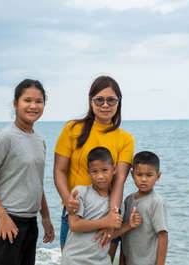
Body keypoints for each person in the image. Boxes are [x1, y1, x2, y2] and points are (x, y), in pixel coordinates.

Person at [54, 76, 134, 258]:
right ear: (91, 102)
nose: (105, 105)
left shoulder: (125, 139)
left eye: (111, 100)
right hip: (76, 214)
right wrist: (68, 199)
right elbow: (59, 170)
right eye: (99, 100)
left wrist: (110, 219)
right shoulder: (72, 129)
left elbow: (120, 180)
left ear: (118, 102)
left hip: (109, 211)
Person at [0, 79, 54, 265]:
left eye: (39, 101)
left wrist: (46, 217)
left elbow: (35, 181)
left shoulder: (39, 139)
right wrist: (1, 215)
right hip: (4, 222)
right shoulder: (5, 138)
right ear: (15, 103)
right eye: (27, 100)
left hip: (29, 222)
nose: (33, 106)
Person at [61, 147, 123, 265]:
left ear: (114, 169)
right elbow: (74, 225)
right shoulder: (80, 193)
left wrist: (129, 225)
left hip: (101, 261)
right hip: (74, 261)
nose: (100, 176)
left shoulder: (116, 202)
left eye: (105, 170)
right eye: (94, 171)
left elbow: (112, 233)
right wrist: (105, 222)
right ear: (88, 172)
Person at [120, 151, 169, 265]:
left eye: (149, 175)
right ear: (132, 175)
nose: (143, 179)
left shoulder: (156, 202)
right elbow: (124, 237)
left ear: (158, 176)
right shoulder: (128, 200)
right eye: (139, 174)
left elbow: (163, 236)